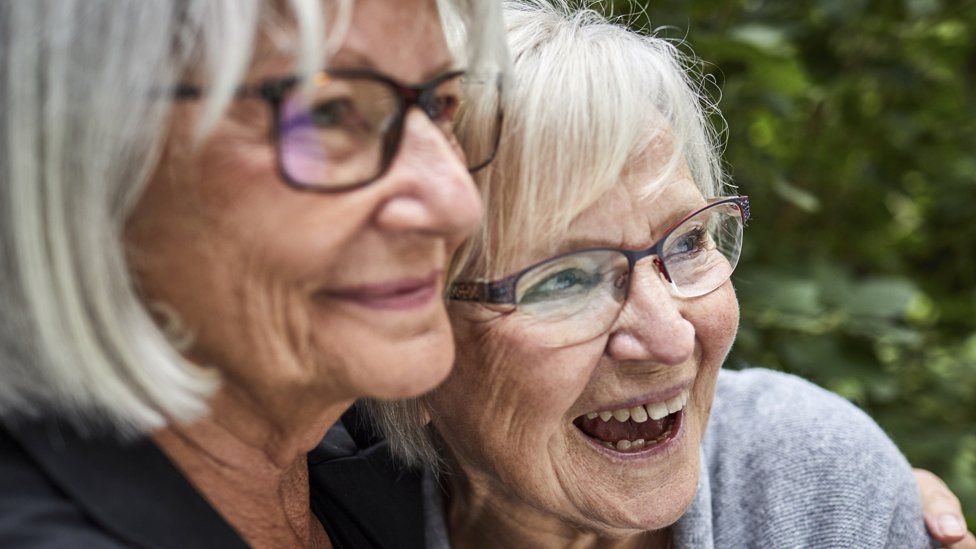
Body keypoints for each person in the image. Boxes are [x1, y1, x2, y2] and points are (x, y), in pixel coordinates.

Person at [363, 1, 974, 547]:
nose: (672, 337)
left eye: (687, 242)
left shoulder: (813, 487)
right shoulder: (314, 505)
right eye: (565, 279)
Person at [0, 0, 506, 547]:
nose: (459, 203)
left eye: (438, 105)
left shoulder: (378, 467)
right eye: (328, 113)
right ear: (73, 155)